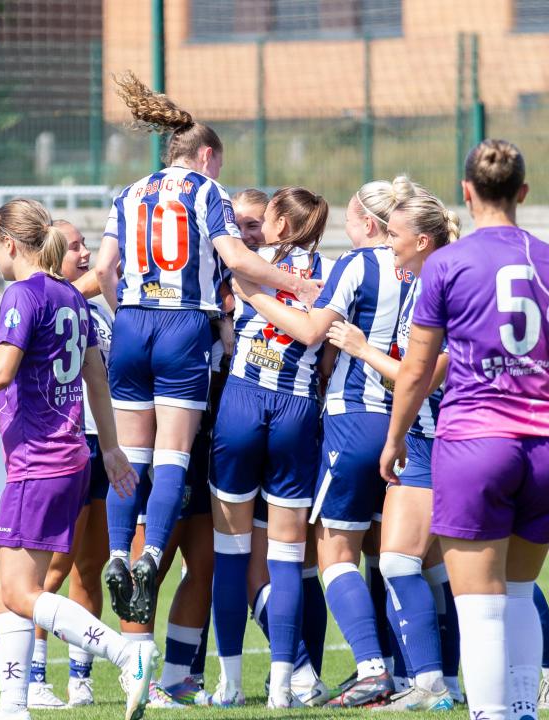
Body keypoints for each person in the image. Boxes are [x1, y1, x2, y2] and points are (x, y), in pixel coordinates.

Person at [380, 139, 549, 720]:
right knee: (515, 596)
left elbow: (415, 369)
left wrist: (394, 438)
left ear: (466, 191)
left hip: (476, 443)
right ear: (524, 193)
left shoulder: (446, 264)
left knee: (479, 607)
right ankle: (521, 710)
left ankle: (494, 715)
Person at [0, 199, 158, 720]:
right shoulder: (71, 296)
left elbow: (1, 372)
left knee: (21, 591)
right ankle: (13, 703)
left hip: (40, 461)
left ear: (9, 244)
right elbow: (97, 378)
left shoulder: (23, 293)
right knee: (2, 577)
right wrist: (109, 450)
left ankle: (124, 652)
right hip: (66, 458)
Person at [90, 72, 322, 626]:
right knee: (172, 455)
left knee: (130, 456)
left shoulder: (128, 193)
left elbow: (102, 269)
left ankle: (120, 553)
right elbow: (238, 260)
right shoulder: (206, 191)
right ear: (207, 155)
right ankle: (150, 556)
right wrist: (297, 286)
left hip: (132, 325)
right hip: (183, 327)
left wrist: (126, 315)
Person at [233, 176, 428, 708]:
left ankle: (368, 668)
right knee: (395, 557)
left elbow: (312, 333)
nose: (341, 223)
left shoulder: (357, 264)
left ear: (368, 222)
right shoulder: (425, 267)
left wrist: (251, 295)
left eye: (348, 215)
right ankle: (422, 673)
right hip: (409, 424)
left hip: (352, 419)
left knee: (331, 552)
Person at [326, 192, 460, 712]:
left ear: (421, 241)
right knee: (430, 565)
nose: (390, 245)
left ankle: (435, 683)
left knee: (417, 563)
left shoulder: (440, 285)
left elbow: (423, 376)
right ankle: (439, 679)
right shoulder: (427, 282)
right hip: (433, 435)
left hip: (440, 436)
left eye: (396, 236)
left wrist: (361, 350)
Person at [208, 187, 330, 709]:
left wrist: (255, 295)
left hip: (240, 402)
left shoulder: (250, 263)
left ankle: (229, 682)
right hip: (298, 410)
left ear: (277, 220)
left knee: (231, 554)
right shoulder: (333, 272)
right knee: (285, 559)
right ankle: (284, 684)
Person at [22, 220, 114, 709]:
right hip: (65, 448)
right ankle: (34, 677)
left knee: (90, 567)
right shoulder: (46, 302)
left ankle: (81, 678)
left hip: (103, 445)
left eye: (85, 244)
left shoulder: (93, 308)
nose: (84, 252)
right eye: (73, 246)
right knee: (49, 572)